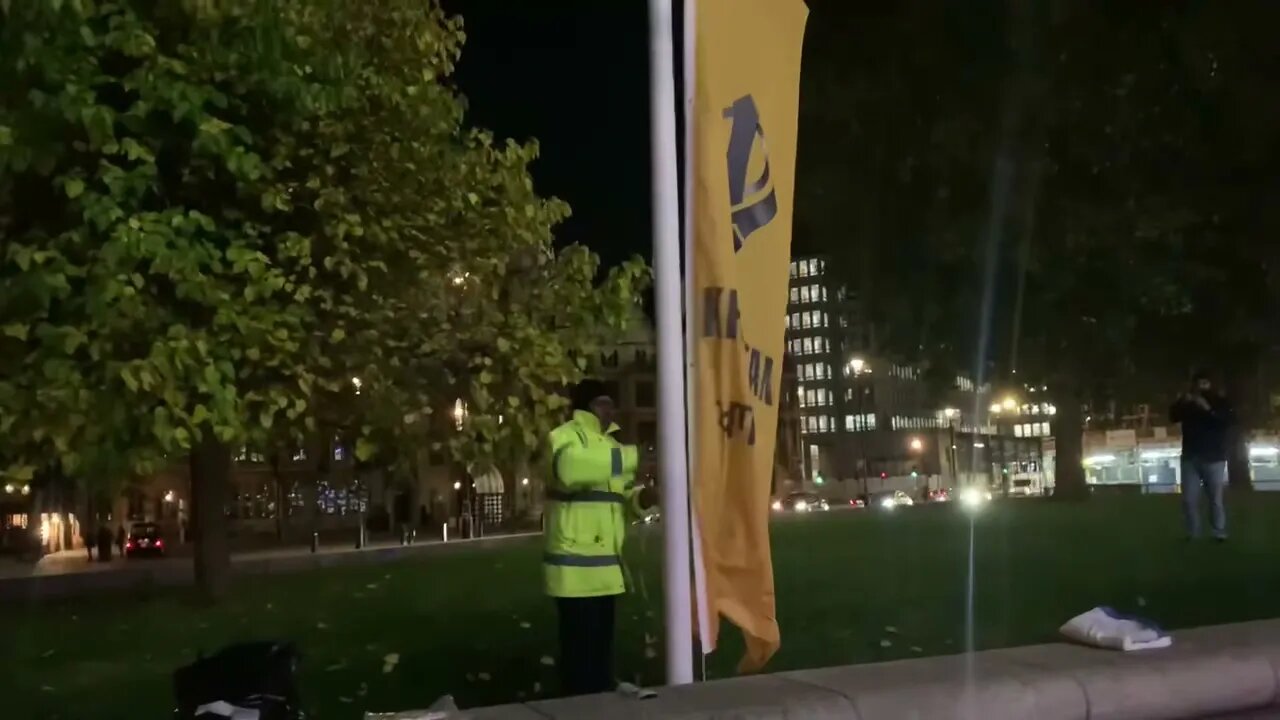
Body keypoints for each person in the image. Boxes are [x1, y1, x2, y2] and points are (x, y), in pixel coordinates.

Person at [544, 379, 657, 697]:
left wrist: (642, 499)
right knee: (579, 660)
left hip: (606, 570)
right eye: (602, 403)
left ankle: (601, 700)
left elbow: (617, 501)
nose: (609, 410)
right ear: (585, 407)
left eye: (611, 403)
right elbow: (570, 469)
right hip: (574, 571)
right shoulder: (565, 437)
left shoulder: (610, 447)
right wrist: (633, 457)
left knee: (599, 657)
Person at [1169, 370, 1234, 541]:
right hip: (1191, 456)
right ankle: (1193, 532)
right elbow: (1173, 416)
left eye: (1205, 383)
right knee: (1188, 499)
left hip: (1214, 457)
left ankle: (1218, 531)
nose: (1201, 387)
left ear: (1211, 384)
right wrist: (1182, 401)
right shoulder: (1188, 403)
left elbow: (1224, 421)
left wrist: (1207, 408)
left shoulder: (1220, 402)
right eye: (1198, 384)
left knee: (1215, 499)